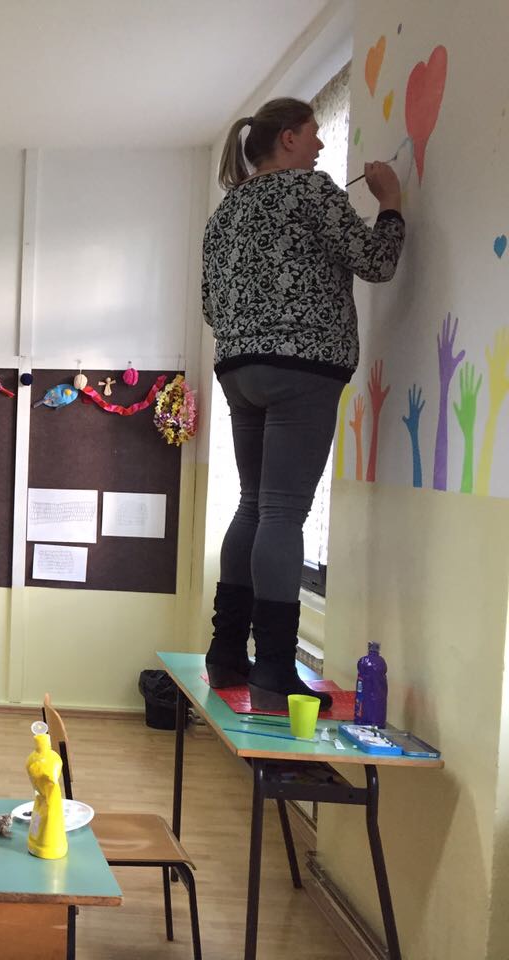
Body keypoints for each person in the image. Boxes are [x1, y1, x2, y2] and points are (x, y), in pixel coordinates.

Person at [201, 98, 405, 711]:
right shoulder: (312, 191)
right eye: (314, 135)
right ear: (287, 137)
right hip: (304, 368)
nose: (320, 147)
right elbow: (376, 263)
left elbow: (211, 306)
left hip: (239, 368)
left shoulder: (226, 211)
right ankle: (273, 670)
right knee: (284, 514)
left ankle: (226, 654)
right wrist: (391, 204)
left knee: (253, 505)